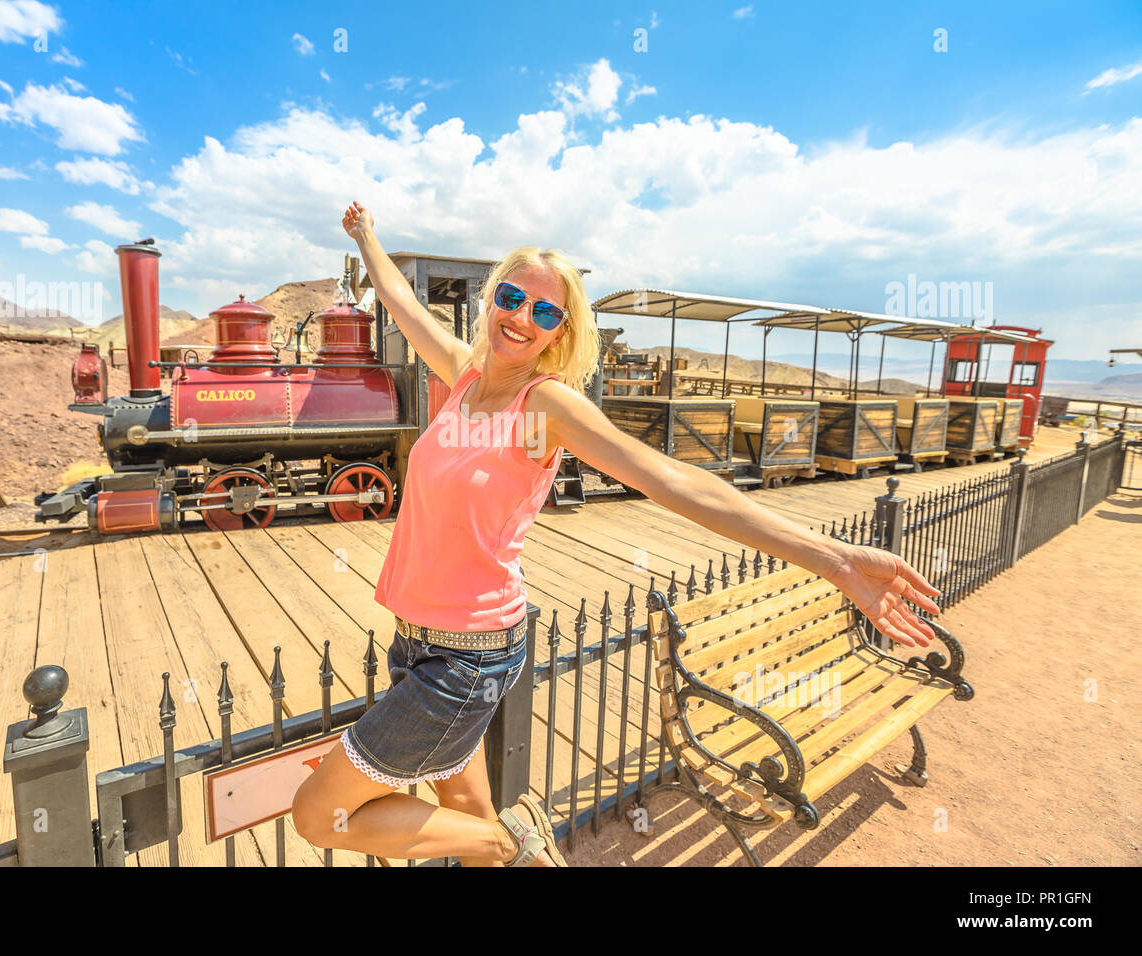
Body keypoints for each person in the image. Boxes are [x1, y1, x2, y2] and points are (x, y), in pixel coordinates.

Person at [290, 200, 943, 867]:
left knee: (320, 814)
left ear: (558, 332)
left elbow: (672, 480)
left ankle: (514, 836)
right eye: (512, 298)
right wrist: (368, 238)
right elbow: (404, 306)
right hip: (418, 639)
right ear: (491, 301)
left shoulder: (545, 405)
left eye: (544, 312)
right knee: (461, 812)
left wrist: (831, 558)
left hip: (467, 657)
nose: (521, 317)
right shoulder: (463, 378)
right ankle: (504, 844)